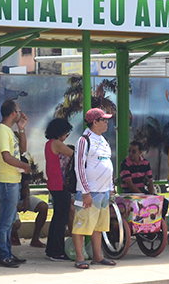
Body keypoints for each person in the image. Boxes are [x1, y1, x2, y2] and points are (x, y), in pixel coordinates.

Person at [71, 108, 117, 269]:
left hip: (103, 191)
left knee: (99, 226)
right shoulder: (84, 140)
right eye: (104, 120)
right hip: (90, 191)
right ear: (95, 122)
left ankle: (98, 256)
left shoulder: (104, 140)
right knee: (82, 224)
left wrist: (111, 187)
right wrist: (85, 192)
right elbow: (79, 167)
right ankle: (80, 257)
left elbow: (108, 164)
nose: (107, 123)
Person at [0, 99, 31, 268]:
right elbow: (7, 157)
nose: (21, 113)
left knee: (7, 221)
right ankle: (3, 255)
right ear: (13, 113)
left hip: (12, 181)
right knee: (5, 222)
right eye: (19, 111)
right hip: (6, 181)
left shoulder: (8, 131)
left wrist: (21, 129)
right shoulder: (1, 131)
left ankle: (7, 253)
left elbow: (22, 150)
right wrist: (24, 166)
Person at [44, 117, 74, 262]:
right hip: (61, 184)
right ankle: (57, 251)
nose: (66, 136)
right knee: (61, 219)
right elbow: (75, 155)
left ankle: (51, 249)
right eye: (66, 133)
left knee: (57, 218)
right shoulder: (57, 144)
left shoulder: (48, 144)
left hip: (54, 184)